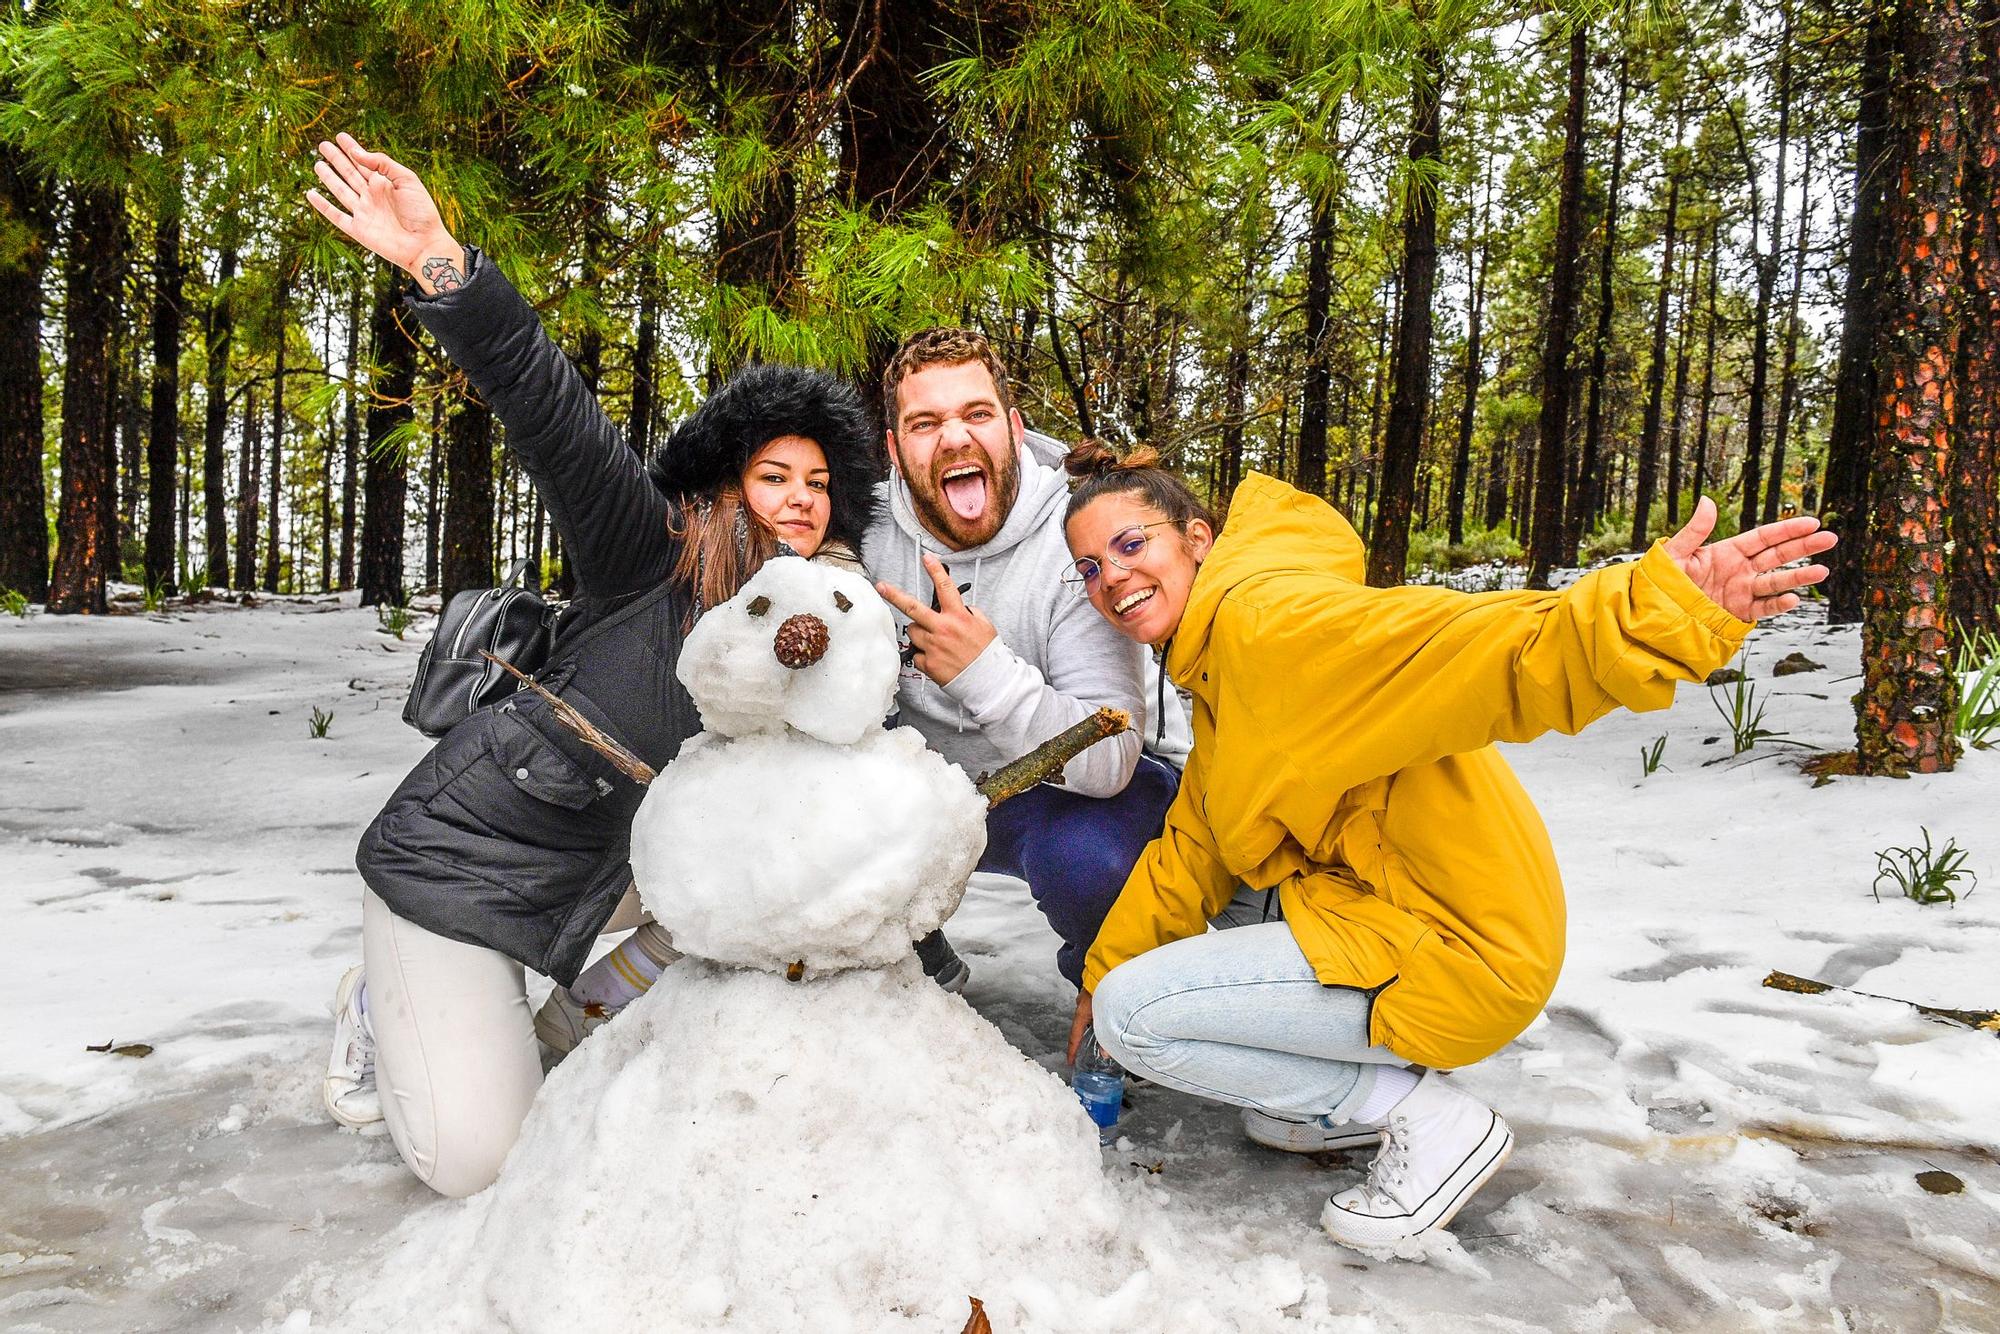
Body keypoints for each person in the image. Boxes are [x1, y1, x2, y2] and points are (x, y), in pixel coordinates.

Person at [1058, 446, 1835, 1250]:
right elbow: (1194, 843)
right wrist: (1094, 975)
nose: (1109, 578)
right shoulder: (1222, 664)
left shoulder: (1273, 628)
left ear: (1198, 539)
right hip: (1422, 911)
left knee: (1138, 1017)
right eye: (1087, 567)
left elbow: (1478, 647)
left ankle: (1425, 1121)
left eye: (1129, 545)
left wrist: (1650, 609)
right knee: (1190, 917)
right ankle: (1343, 1103)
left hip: (1461, 949)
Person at [306, 133, 884, 1196]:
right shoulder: (646, 557)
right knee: (483, 1162)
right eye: (774, 474)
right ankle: (379, 1005)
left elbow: (855, 828)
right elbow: (548, 410)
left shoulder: (819, 648)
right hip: (462, 875)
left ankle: (547, 1022)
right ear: (724, 483)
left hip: (604, 885)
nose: (800, 497)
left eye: (818, 482)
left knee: (765, 893)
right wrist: (441, 262)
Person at [865, 330, 1179, 992]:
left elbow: (1110, 758)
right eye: (925, 423)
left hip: (1055, 799)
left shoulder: (1081, 533)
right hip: (919, 797)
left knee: (1095, 864)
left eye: (976, 414)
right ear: (894, 450)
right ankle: (909, 950)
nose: (954, 438)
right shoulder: (861, 532)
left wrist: (983, 672)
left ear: (1012, 428)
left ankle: (1117, 991)